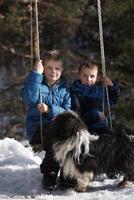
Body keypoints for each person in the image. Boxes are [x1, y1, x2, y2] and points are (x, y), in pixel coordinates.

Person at [21, 50, 72, 190]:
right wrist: (36, 74)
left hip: (58, 128)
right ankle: (50, 172)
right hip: (39, 129)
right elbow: (29, 97)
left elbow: (68, 111)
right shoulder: (37, 83)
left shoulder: (65, 89)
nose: (53, 71)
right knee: (55, 137)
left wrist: (50, 109)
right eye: (49, 67)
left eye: (57, 68)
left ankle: (68, 174)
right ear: (43, 68)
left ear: (62, 70)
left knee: (72, 138)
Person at [71, 60, 120, 135]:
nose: (88, 79)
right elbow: (76, 112)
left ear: (97, 77)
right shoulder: (75, 92)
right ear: (79, 75)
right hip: (85, 129)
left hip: (102, 127)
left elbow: (113, 100)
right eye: (85, 76)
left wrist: (112, 87)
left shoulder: (100, 91)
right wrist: (95, 115)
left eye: (92, 76)